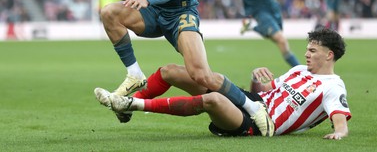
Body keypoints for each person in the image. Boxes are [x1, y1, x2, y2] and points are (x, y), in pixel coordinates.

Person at [47, 0, 270, 135]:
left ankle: (254, 107)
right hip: (153, 12)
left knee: (201, 75)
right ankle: (134, 75)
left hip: (181, 14)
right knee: (109, 12)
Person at [95, 28, 350, 140]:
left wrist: (339, 132)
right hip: (252, 103)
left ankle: (132, 103)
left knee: (213, 99)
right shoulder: (298, 70)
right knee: (171, 71)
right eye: (307, 49)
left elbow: (340, 121)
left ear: (329, 55)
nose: (307, 54)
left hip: (263, 125)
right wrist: (256, 78)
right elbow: (265, 92)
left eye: (313, 51)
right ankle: (125, 110)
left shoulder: (333, 86)